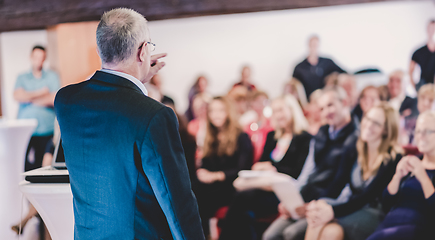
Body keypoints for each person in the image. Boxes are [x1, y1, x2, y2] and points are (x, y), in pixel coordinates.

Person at [54, 8, 204, 240]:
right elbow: (177, 203)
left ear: (99, 50)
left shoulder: (66, 102)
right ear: (143, 51)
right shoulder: (154, 115)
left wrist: (135, 78)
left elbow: (109, 97)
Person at [263, 86, 359, 240]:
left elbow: (349, 186)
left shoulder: (356, 138)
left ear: (344, 102)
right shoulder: (322, 133)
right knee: (271, 235)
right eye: (322, 108)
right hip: (306, 199)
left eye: (330, 105)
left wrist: (314, 206)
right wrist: (292, 200)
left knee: (291, 234)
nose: (326, 112)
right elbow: (307, 172)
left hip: (327, 204)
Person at [218, 95, 312, 240]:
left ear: (292, 110)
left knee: (242, 200)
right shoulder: (272, 136)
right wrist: (269, 168)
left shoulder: (304, 138)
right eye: (274, 111)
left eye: (281, 110)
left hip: (284, 191)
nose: (278, 115)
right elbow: (260, 164)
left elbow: (296, 171)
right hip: (264, 186)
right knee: (242, 210)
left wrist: (272, 168)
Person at [304, 102, 402, 240]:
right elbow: (337, 183)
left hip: (374, 212)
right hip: (352, 205)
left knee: (327, 226)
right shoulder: (355, 146)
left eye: (376, 123)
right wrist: (318, 202)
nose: (368, 125)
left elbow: (367, 196)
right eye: (367, 119)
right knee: (321, 213)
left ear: (386, 130)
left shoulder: (393, 158)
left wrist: (332, 211)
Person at [367, 111, 435, 240]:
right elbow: (386, 204)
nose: (421, 136)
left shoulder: (419, 168)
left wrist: (423, 177)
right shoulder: (411, 161)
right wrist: (397, 176)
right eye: (418, 131)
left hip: (419, 228)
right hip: (390, 221)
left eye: (427, 131)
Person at [193, 96, 253, 236]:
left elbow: (243, 169)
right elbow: (206, 166)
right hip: (211, 185)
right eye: (212, 111)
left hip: (231, 185)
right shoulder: (210, 137)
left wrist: (216, 176)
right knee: (189, 189)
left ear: (228, 112)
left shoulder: (241, 137)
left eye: (220, 110)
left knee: (198, 196)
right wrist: (202, 173)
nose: (216, 115)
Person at [13, 45, 60, 172]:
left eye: (42, 57)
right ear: (31, 57)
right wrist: (42, 92)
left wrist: (29, 98)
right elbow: (17, 95)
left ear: (45, 59)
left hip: (47, 130)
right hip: (25, 133)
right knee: (25, 167)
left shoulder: (52, 76)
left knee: (45, 168)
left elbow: (54, 98)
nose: (38, 60)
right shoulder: (22, 77)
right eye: (36, 57)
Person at [243, 91, 274, 163]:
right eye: (257, 101)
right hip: (251, 161)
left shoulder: (272, 124)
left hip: (266, 161)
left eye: (263, 101)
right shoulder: (248, 126)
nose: (260, 105)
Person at [409, 20, 435, 91]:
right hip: (423, 87)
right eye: (431, 28)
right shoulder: (419, 52)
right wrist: (416, 88)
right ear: (427, 30)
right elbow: (410, 71)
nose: (433, 31)